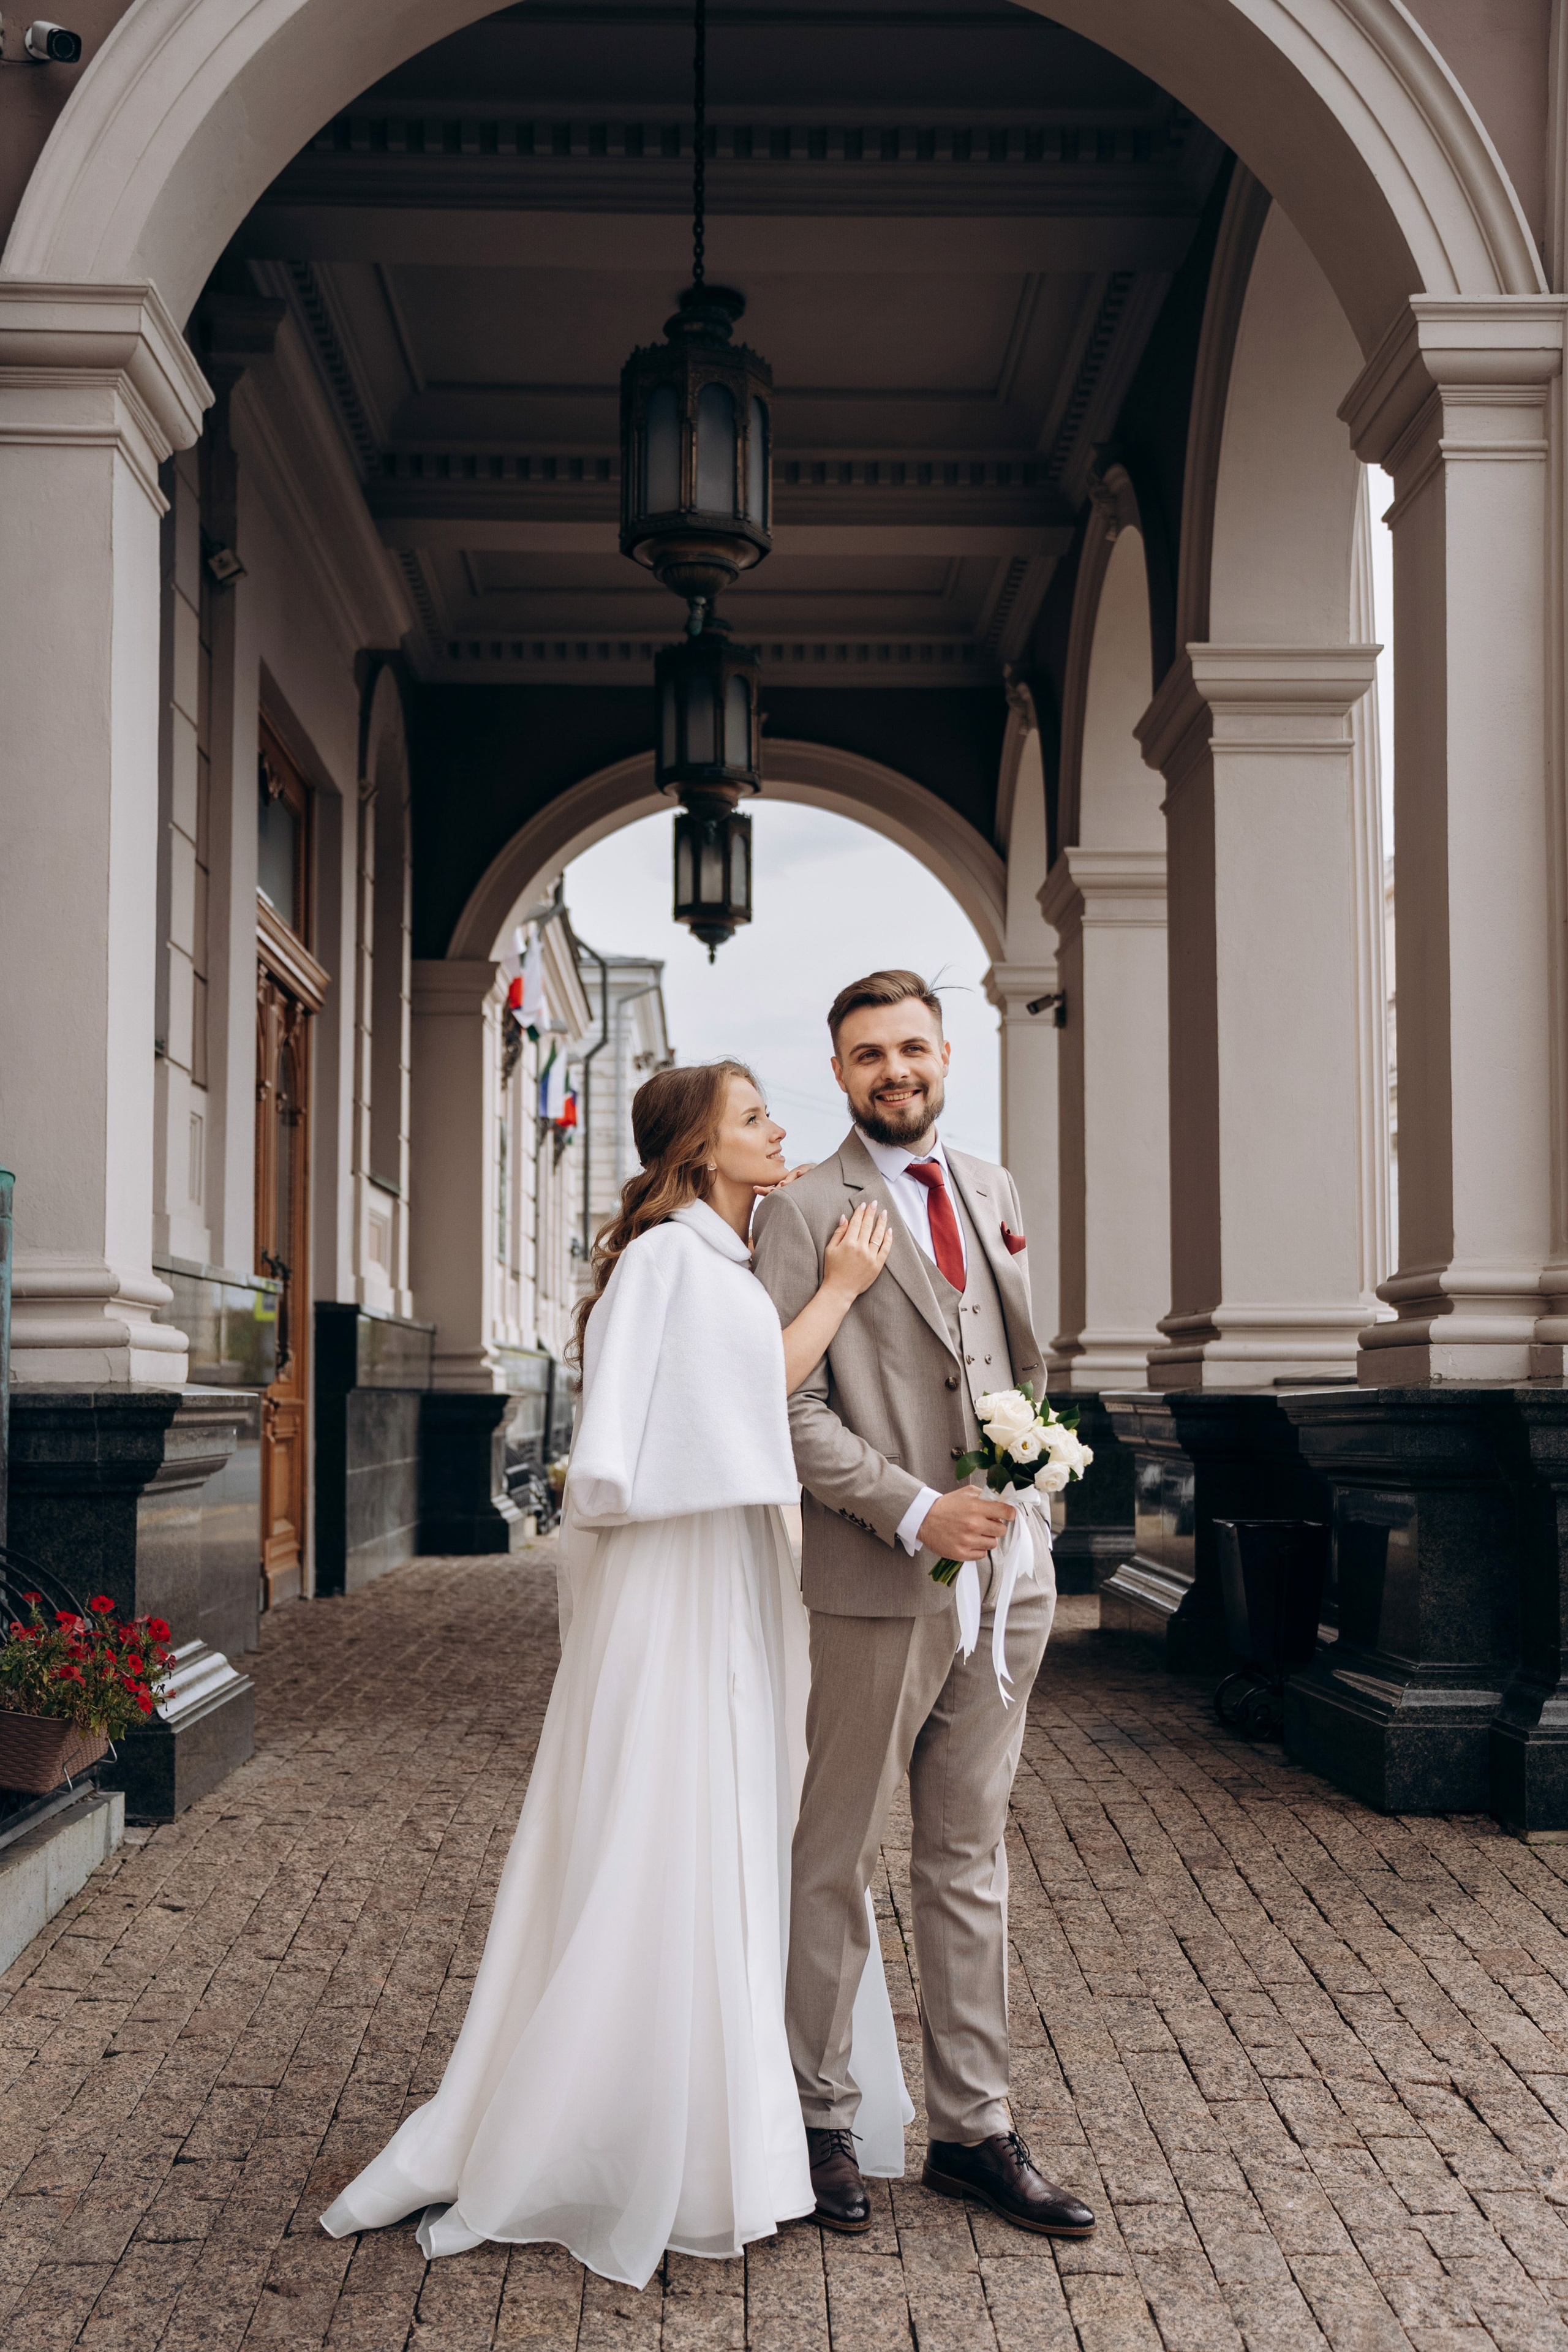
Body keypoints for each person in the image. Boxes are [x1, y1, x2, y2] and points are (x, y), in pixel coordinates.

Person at [320, 1060, 911, 2290]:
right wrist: (845, 1289)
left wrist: (832, 1288)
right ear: (696, 1150)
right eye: (751, 1118)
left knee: (735, 1812)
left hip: (727, 1557)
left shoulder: (723, 1264)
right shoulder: (663, 1263)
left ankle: (721, 2130)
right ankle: (648, 2133)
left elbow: (739, 1399)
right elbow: (663, 1430)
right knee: (669, 1813)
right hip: (673, 1570)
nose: (775, 1131)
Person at [752, 970, 1096, 2240]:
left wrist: (1028, 1494)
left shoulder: (991, 1190)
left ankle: (974, 2129)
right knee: (834, 1855)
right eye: (865, 1056)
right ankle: (819, 2119)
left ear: (944, 1054)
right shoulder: (799, 1211)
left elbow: (1008, 1360)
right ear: (836, 1073)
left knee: (967, 1855)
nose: (892, 1071)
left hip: (1009, 1585)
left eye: (909, 1048)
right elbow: (781, 1407)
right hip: (876, 1580)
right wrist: (910, 1508)